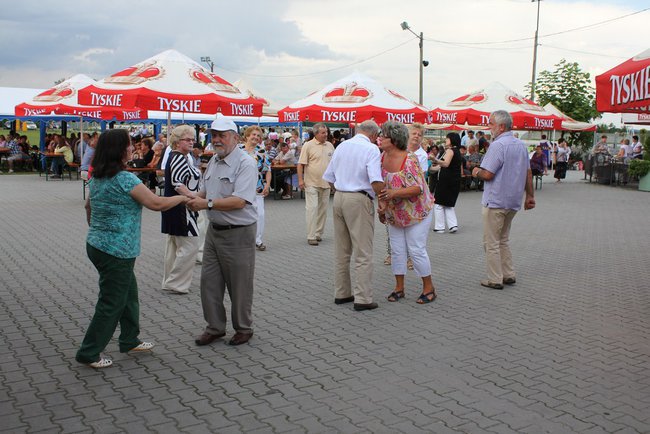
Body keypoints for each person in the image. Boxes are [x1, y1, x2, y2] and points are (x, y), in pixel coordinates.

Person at [75, 129, 189, 369]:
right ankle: (89, 352)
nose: (132, 148)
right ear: (118, 149)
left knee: (128, 295)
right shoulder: (125, 179)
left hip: (97, 245)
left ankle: (129, 339)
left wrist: (98, 229)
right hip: (117, 251)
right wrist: (183, 198)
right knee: (111, 302)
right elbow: (156, 203)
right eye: (128, 144)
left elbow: (88, 207)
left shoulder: (98, 177)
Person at [186, 115, 258, 347]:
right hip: (215, 231)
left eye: (221, 136)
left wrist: (205, 204)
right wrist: (188, 197)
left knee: (239, 285)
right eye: (213, 135)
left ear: (235, 138)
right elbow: (204, 192)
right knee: (209, 282)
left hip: (239, 232)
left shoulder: (246, 163)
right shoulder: (214, 161)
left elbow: (239, 201)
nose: (216, 139)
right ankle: (214, 328)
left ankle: (243, 328)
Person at [322, 120, 385, 311]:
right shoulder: (371, 149)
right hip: (359, 198)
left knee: (342, 250)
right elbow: (375, 179)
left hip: (339, 197)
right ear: (374, 135)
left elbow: (329, 177)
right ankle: (363, 298)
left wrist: (341, 190)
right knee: (363, 251)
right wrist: (382, 200)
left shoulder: (342, 146)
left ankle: (342, 293)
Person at [471, 110, 535, 290]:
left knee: (491, 242)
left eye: (491, 124)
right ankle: (508, 274)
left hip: (496, 200)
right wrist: (530, 195)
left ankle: (495, 278)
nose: (489, 127)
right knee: (503, 239)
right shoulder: (520, 145)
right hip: (513, 200)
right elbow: (528, 172)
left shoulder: (498, 145)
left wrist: (476, 172)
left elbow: (488, 174)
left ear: (501, 126)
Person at [377, 121, 436, 305]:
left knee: (416, 249)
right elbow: (380, 185)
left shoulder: (410, 159)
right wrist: (382, 205)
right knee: (397, 250)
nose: (379, 138)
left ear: (394, 140)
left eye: (383, 135)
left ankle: (429, 288)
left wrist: (393, 194)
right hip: (395, 213)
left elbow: (418, 188)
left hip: (417, 212)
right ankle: (399, 288)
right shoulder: (381, 157)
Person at [160, 125, 202, 295]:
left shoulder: (179, 156)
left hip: (177, 207)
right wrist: (193, 198)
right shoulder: (178, 157)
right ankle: (176, 282)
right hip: (181, 208)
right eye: (187, 140)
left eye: (193, 139)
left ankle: (170, 281)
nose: (192, 142)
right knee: (190, 245)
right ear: (177, 142)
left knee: (174, 246)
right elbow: (178, 183)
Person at [298, 123, 335, 246]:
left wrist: (334, 182)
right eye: (323, 133)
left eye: (326, 132)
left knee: (323, 211)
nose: (326, 134)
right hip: (311, 183)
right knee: (312, 209)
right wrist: (300, 180)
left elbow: (334, 164)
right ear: (316, 133)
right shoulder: (308, 145)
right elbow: (300, 164)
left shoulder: (330, 145)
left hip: (326, 184)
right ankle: (311, 235)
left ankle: (318, 233)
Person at [241, 125, 272, 251]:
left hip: (258, 188)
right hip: (241, 188)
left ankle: (258, 240)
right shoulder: (238, 150)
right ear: (247, 136)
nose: (256, 137)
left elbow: (268, 170)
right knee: (242, 214)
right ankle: (243, 240)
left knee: (260, 214)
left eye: (258, 136)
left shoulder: (262, 152)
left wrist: (267, 185)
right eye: (253, 134)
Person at [432, 133, 463, 234]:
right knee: (448, 204)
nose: (446, 140)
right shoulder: (457, 151)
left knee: (438, 204)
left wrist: (434, 159)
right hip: (454, 180)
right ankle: (453, 225)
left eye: (447, 138)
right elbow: (441, 166)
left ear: (452, 140)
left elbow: (445, 163)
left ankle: (439, 227)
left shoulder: (450, 150)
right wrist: (431, 168)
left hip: (446, 181)